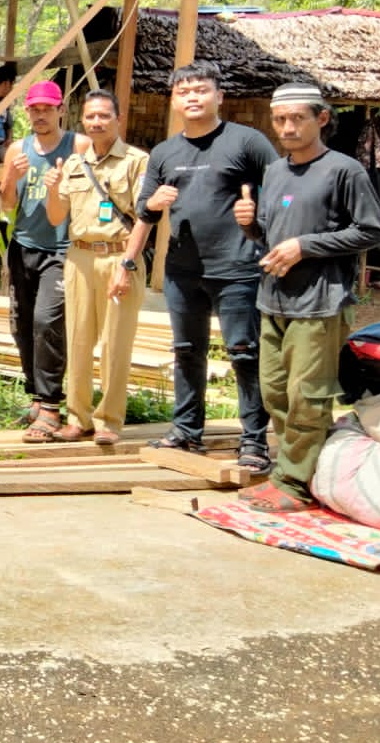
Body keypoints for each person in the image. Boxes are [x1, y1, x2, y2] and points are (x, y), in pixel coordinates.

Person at [113, 61, 275, 469]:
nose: (193, 98)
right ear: (174, 100)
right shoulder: (166, 153)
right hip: (182, 272)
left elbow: (282, 189)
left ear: (219, 96)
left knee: (244, 353)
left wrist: (259, 219)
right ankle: (186, 432)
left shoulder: (246, 142)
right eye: (184, 92)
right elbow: (144, 212)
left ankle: (254, 441)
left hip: (238, 268)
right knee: (186, 352)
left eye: (201, 90)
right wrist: (133, 249)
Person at [233, 83, 380, 511]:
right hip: (274, 298)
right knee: (275, 392)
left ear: (321, 118)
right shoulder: (275, 171)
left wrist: (307, 246)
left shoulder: (344, 170)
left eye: (297, 118)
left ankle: (296, 485)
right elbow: (269, 234)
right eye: (280, 119)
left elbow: (372, 230)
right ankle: (289, 470)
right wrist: (249, 224)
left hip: (320, 301)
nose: (287, 127)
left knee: (308, 396)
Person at [44, 89, 149, 445]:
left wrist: (128, 264)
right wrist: (51, 189)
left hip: (119, 256)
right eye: (90, 116)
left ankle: (110, 420)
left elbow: (145, 219)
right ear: (82, 121)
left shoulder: (136, 161)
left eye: (104, 115)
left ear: (118, 119)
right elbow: (57, 216)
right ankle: (78, 417)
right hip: (79, 257)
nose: (97, 122)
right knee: (77, 338)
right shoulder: (73, 165)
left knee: (115, 343)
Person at [1, 80, 85, 442]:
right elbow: (6, 204)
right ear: (27, 112)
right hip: (23, 245)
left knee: (46, 320)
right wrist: (11, 176)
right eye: (34, 109)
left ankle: (52, 405)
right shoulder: (17, 150)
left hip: (62, 248)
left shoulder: (77, 145)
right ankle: (36, 397)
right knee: (21, 324)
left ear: (61, 109)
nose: (40, 115)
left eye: (47, 109)